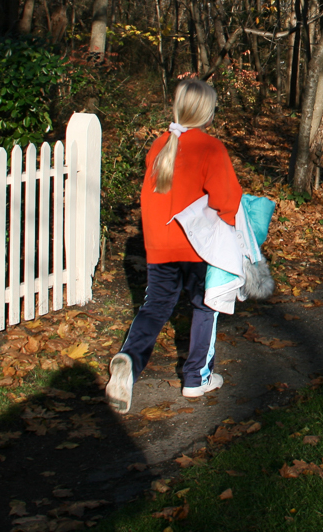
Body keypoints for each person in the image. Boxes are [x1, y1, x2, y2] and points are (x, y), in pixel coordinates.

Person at [106, 78, 241, 415]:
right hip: (197, 245)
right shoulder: (211, 148)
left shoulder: (160, 145)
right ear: (207, 113)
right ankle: (196, 377)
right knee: (203, 306)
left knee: (155, 307)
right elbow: (227, 201)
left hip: (159, 245)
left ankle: (129, 361)